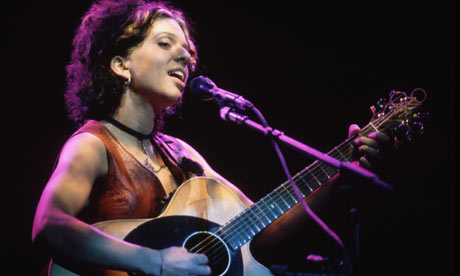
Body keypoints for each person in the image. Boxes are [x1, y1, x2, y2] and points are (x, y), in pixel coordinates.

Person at [32, 1, 388, 275]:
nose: (185, 56)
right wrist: (155, 263)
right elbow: (49, 224)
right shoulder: (94, 144)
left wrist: (341, 172)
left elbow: (263, 227)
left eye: (187, 50)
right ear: (121, 65)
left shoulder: (182, 155)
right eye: (165, 42)